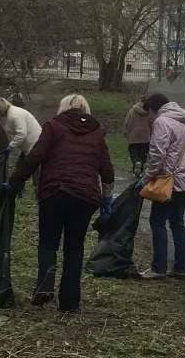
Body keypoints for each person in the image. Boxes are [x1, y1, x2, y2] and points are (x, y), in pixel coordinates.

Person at [7, 94, 114, 314]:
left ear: (62, 108)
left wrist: (14, 183)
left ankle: (45, 287)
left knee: (48, 243)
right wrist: (107, 201)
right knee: (74, 249)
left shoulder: (53, 126)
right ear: (86, 110)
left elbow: (34, 157)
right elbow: (107, 171)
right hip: (85, 198)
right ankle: (70, 302)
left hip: (54, 192)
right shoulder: (97, 132)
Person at [137, 92, 185, 280]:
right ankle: (181, 268)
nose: (150, 116)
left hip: (170, 180)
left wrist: (147, 177)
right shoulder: (183, 120)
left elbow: (157, 155)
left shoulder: (162, 122)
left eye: (150, 112)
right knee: (177, 223)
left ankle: (159, 268)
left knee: (157, 221)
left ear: (154, 109)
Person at [0, 96, 42, 162]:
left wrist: (11, 145)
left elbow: (22, 134)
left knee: (26, 166)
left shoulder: (15, 114)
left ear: (0, 109)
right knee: (21, 166)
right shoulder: (8, 115)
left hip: (35, 145)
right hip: (29, 146)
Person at [123, 95, 154, 178]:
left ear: (139, 100)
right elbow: (151, 122)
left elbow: (127, 121)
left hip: (133, 135)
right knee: (143, 153)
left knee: (133, 151)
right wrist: (152, 133)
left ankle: (136, 165)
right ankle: (140, 169)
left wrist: (126, 132)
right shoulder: (149, 111)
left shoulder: (132, 110)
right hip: (145, 136)